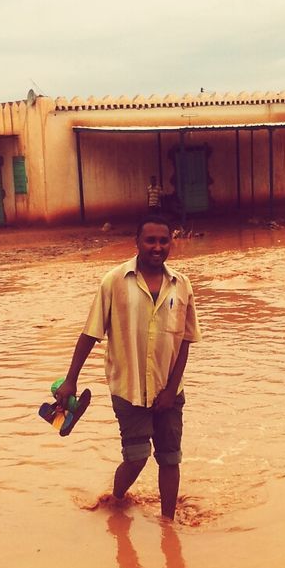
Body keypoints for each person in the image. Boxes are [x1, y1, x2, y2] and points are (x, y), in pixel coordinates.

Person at [55, 215, 201, 521]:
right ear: (137, 243)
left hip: (169, 391)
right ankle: (117, 500)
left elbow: (185, 341)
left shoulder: (182, 285)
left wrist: (171, 391)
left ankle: (167, 524)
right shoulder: (114, 281)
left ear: (171, 243)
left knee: (170, 459)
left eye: (164, 241)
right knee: (136, 458)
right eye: (150, 240)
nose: (157, 247)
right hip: (128, 387)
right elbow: (90, 333)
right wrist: (71, 379)